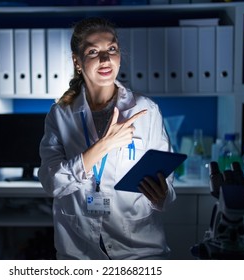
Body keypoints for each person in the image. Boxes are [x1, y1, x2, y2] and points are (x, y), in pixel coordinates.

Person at [38, 17, 175, 260]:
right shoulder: (60, 115)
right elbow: (52, 183)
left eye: (111, 49)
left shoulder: (145, 110)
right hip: (79, 253)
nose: (105, 59)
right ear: (77, 61)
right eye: (93, 51)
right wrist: (105, 144)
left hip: (139, 252)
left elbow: (168, 185)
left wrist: (162, 195)